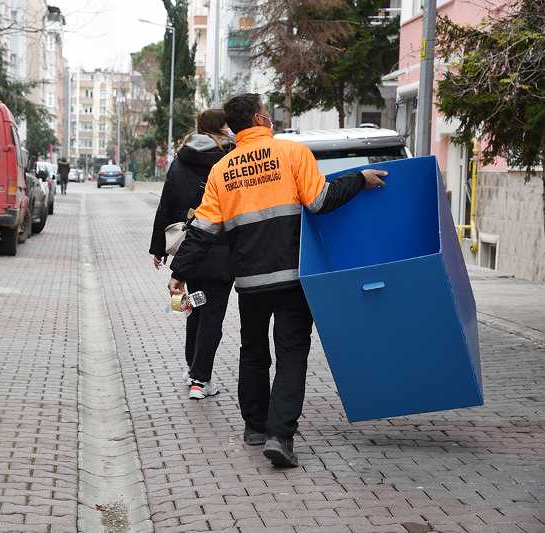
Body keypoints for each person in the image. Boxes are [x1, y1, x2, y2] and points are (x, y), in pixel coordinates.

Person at [168, 94, 387, 467]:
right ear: (259, 118)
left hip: (250, 282)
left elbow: (203, 230)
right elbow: (320, 201)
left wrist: (179, 273)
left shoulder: (222, 170)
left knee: (253, 351)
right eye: (266, 111)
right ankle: (280, 436)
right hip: (293, 279)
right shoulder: (292, 154)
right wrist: (358, 180)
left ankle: (254, 426)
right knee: (291, 355)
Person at [150, 109, 235, 400]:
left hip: (189, 253)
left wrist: (159, 249)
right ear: (223, 128)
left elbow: (166, 205)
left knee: (195, 308)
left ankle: (191, 368)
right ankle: (200, 380)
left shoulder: (181, 159)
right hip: (223, 251)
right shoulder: (231, 160)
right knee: (212, 316)